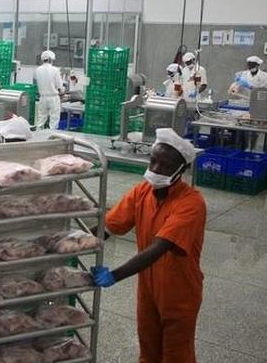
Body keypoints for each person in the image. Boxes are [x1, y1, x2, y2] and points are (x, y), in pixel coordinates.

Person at [91, 127, 205, 363]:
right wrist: (72, 243)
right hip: (148, 285)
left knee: (176, 353)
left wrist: (114, 275)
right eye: (153, 161)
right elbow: (108, 228)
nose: (155, 169)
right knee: (148, 346)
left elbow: (158, 249)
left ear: (181, 170)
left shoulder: (191, 203)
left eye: (165, 165)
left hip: (179, 289)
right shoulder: (143, 191)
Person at [34, 50, 63, 130]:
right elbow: (60, 86)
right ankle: (51, 136)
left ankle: (38, 135)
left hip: (42, 97)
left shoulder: (38, 70)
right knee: (54, 119)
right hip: (53, 97)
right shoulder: (55, 70)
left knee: (41, 118)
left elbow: (37, 80)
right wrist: (62, 91)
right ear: (50, 59)